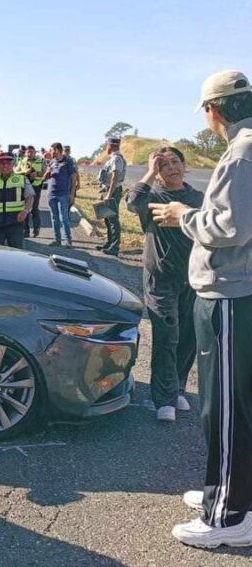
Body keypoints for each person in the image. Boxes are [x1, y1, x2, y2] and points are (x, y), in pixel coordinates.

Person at [150, 70, 252, 548]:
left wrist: (182, 216)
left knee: (226, 409)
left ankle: (228, 515)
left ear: (214, 111)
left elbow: (231, 227)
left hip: (230, 295)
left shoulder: (243, 150)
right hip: (235, 293)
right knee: (235, 404)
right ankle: (232, 494)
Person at [126, 147, 203, 422]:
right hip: (160, 278)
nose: (172, 167)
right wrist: (148, 171)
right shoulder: (153, 195)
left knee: (188, 337)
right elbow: (132, 202)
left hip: (193, 277)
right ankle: (164, 398)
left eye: (175, 161)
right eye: (164, 164)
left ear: (184, 165)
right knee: (167, 336)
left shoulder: (196, 197)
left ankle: (177, 387)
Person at [43, 142, 78, 247]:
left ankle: (68, 241)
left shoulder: (68, 161)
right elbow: (44, 178)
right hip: (52, 194)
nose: (50, 152)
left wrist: (72, 194)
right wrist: (48, 171)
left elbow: (73, 178)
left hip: (63, 194)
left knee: (64, 218)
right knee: (54, 217)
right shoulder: (51, 162)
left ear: (57, 150)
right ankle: (57, 240)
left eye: (51, 150)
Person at [97, 138, 126, 256]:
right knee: (107, 218)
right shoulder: (113, 158)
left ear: (110, 146)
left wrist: (109, 194)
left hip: (112, 191)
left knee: (113, 219)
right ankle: (109, 243)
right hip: (108, 190)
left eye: (106, 145)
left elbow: (115, 176)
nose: (106, 148)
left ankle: (114, 247)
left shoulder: (116, 158)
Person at [16, 145, 44, 237]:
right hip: (24, 187)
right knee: (25, 208)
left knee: (34, 209)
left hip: (36, 187)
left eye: (31, 152)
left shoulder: (41, 160)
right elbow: (15, 172)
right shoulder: (22, 161)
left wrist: (36, 174)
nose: (29, 154)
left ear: (35, 152)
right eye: (28, 152)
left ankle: (36, 229)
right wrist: (24, 173)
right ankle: (26, 231)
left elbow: (46, 173)